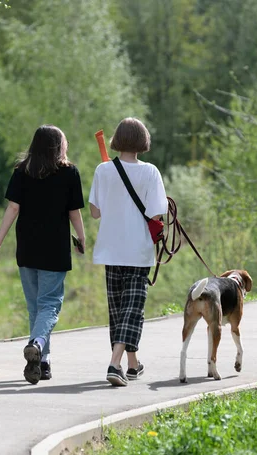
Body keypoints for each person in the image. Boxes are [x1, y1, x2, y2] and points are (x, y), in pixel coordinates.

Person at [0, 125, 85, 385]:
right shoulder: (69, 173)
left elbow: (12, 208)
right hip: (54, 250)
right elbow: (74, 212)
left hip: (27, 249)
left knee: (35, 308)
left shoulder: (21, 172)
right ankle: (38, 343)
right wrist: (82, 238)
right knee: (50, 305)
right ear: (57, 146)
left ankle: (43, 362)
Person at [89, 117, 168, 386]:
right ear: (143, 142)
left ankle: (132, 365)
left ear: (116, 141)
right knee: (131, 310)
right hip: (137, 251)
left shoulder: (103, 170)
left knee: (119, 311)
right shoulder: (151, 172)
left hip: (110, 250)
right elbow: (157, 213)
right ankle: (114, 365)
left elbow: (95, 212)